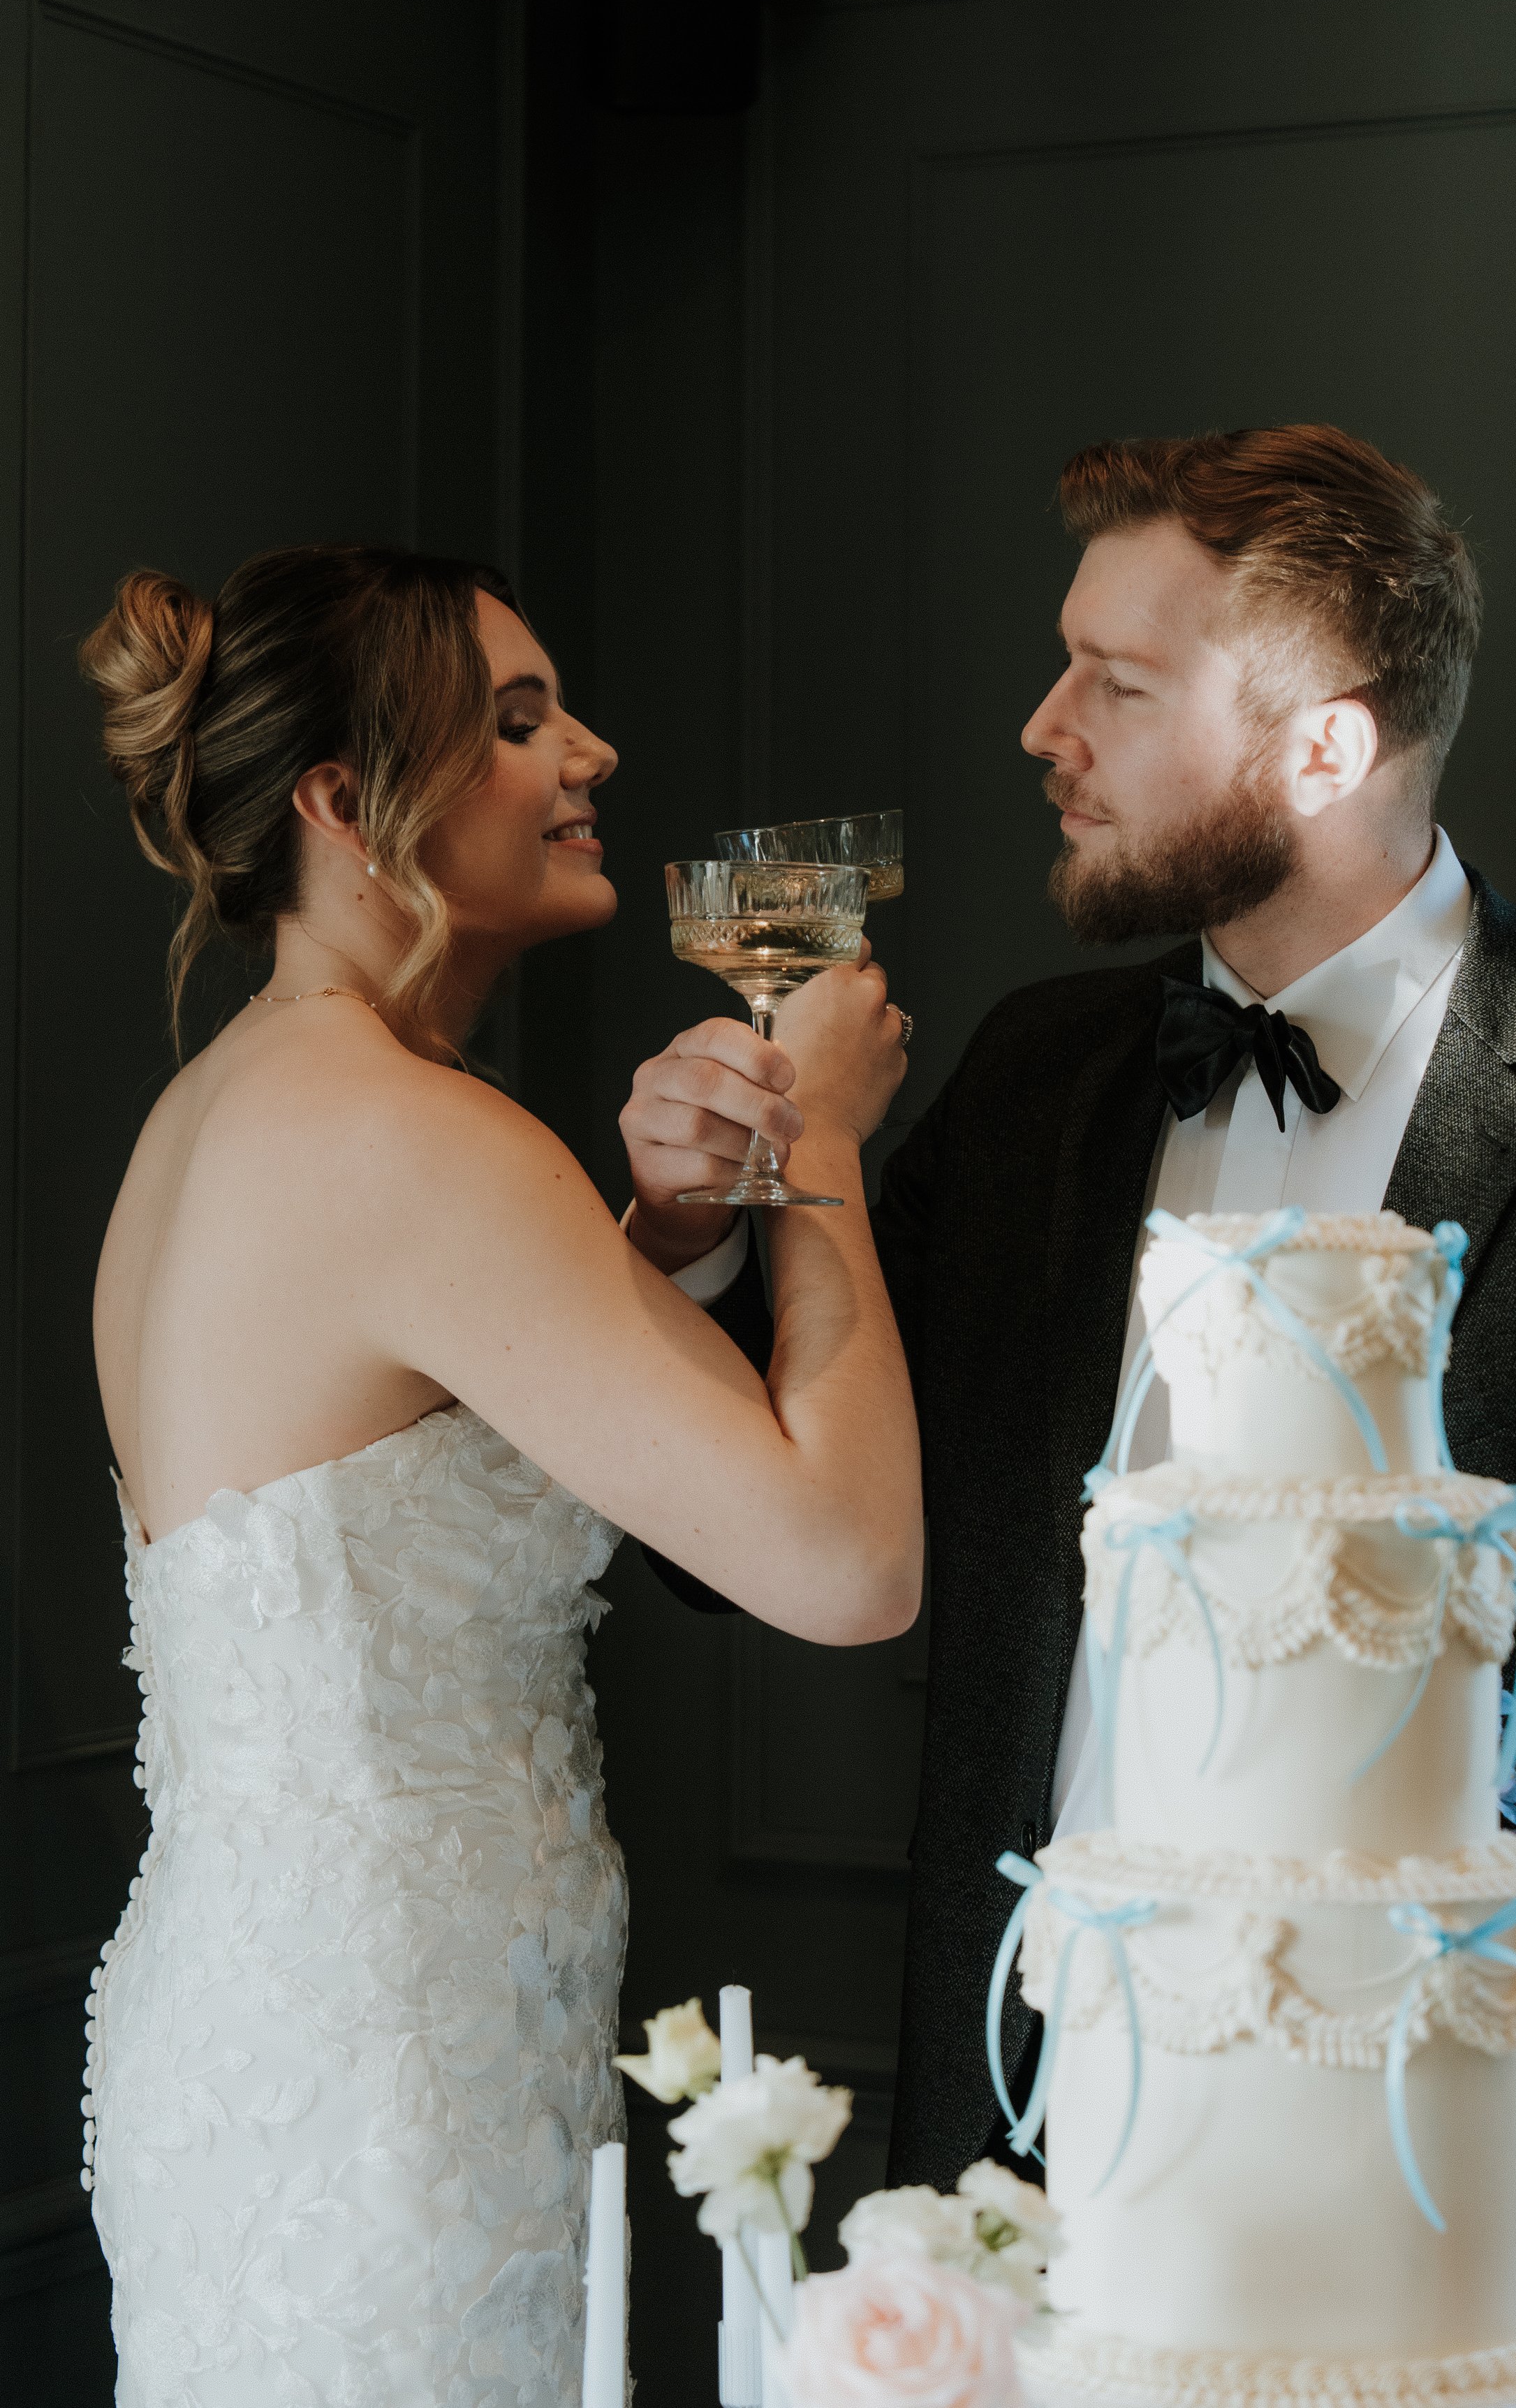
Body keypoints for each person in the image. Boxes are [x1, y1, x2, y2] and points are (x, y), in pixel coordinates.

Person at [621, 424, 1516, 2302]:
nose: (1039, 725)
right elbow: (724, 1531)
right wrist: (698, 1235)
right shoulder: (1030, 1082)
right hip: (1032, 2140)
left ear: (1324, 745)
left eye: (1117, 685)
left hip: (1486, 2194)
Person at [79, 546, 920, 2406]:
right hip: (395, 2096)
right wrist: (828, 1153)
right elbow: (847, 1563)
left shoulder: (222, 1110)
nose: (591, 753)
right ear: (338, 801)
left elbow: (455, 1435)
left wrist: (673, 1232)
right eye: (522, 722)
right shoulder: (415, 1136)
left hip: (266, 2051)